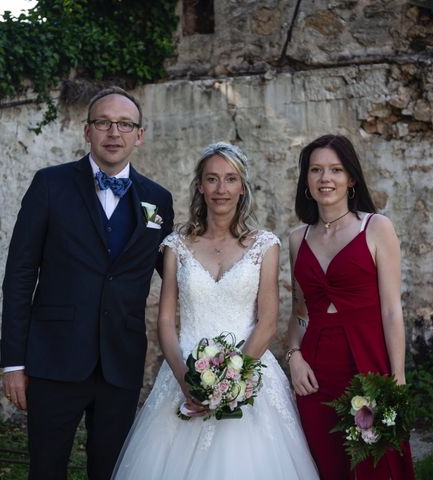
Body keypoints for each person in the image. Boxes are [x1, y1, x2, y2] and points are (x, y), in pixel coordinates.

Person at [112, 142, 319, 479]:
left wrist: (231, 380)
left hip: (249, 371)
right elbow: (166, 321)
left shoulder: (265, 245)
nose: (221, 189)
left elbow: (268, 322)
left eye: (230, 179)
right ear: (200, 186)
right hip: (185, 370)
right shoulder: (176, 245)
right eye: (212, 179)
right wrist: (186, 381)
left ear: (242, 186)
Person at [0, 86, 174, 480]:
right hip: (53, 358)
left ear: (139, 135)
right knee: (46, 468)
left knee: (111, 470)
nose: (114, 132)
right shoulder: (49, 185)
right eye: (103, 123)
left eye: (125, 124)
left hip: (121, 360)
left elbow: (175, 272)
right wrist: (13, 361)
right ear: (87, 131)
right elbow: (20, 274)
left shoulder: (158, 200)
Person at [286, 134, 414, 479]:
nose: (325, 179)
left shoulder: (377, 227)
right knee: (323, 462)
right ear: (306, 179)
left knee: (375, 462)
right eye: (316, 170)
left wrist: (397, 379)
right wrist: (294, 357)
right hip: (315, 370)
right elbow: (300, 312)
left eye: (335, 170)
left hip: (367, 361)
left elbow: (391, 310)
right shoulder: (298, 239)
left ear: (351, 178)